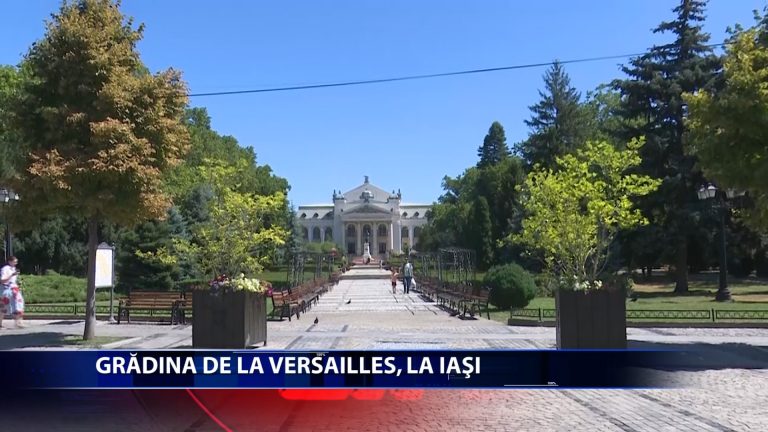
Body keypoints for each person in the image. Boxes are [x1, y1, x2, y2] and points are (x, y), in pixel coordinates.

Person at [1, 256, 25, 328]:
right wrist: (11, 275)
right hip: (6, 289)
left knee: (18, 304)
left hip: (14, 289)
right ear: (9, 262)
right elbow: (2, 280)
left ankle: (18, 323)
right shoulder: (5, 269)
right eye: (14, 262)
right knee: (3, 306)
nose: (16, 263)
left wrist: (18, 282)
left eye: (16, 262)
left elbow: (13, 280)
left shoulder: (14, 269)